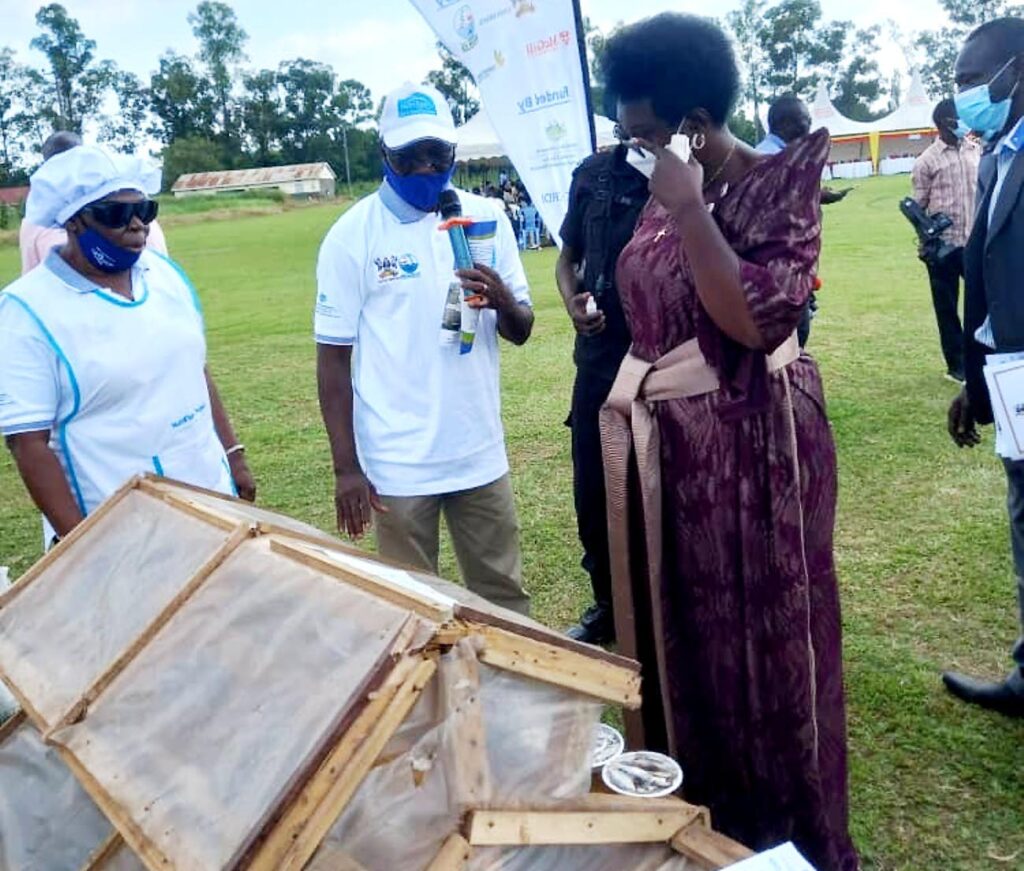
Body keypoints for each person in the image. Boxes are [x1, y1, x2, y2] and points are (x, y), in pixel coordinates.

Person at [598, 15, 857, 868]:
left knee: (765, 641)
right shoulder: (664, 189)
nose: (637, 150)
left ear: (696, 122)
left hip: (756, 450)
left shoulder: (775, 185)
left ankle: (784, 832)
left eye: (648, 134)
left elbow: (751, 317)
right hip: (673, 449)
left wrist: (686, 205)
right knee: (689, 634)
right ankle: (705, 811)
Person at [315, 83, 533, 616]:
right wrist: (346, 468)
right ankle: (432, 699)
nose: (425, 168)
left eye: (438, 154)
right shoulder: (352, 235)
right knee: (414, 611)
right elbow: (333, 360)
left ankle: (513, 699)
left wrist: (502, 299)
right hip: (398, 463)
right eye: (410, 156)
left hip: (479, 450)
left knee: (503, 597)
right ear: (383, 153)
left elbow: (522, 328)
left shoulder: (485, 217)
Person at [0, 145, 255, 546]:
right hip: (115, 531)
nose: (138, 225)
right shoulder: (26, 311)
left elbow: (196, 369)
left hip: (212, 503)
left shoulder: (165, 276)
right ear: (74, 221)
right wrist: (83, 545)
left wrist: (234, 455)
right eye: (116, 214)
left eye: (145, 211)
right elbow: (27, 443)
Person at [944, 16, 1024, 719]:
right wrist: (975, 380)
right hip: (1009, 378)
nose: (964, 94)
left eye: (973, 80)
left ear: (1017, 72)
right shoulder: (997, 154)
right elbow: (984, 271)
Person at [557, 129, 649, 644]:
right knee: (594, 494)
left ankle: (665, 609)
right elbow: (566, 260)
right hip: (597, 364)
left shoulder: (690, 173)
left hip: (665, 365)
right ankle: (608, 605)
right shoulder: (591, 176)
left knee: (660, 493)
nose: (635, 134)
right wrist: (573, 302)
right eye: (625, 122)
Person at [19, 131, 168, 275]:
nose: (137, 225)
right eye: (115, 215)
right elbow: (34, 278)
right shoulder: (35, 223)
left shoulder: (134, 211)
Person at [911, 99, 982, 384]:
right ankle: (956, 366)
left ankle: (981, 357)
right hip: (943, 246)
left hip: (974, 241)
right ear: (942, 123)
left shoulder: (976, 150)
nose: (963, 122)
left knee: (980, 304)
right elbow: (916, 206)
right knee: (947, 308)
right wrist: (926, 240)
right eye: (957, 118)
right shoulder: (927, 161)